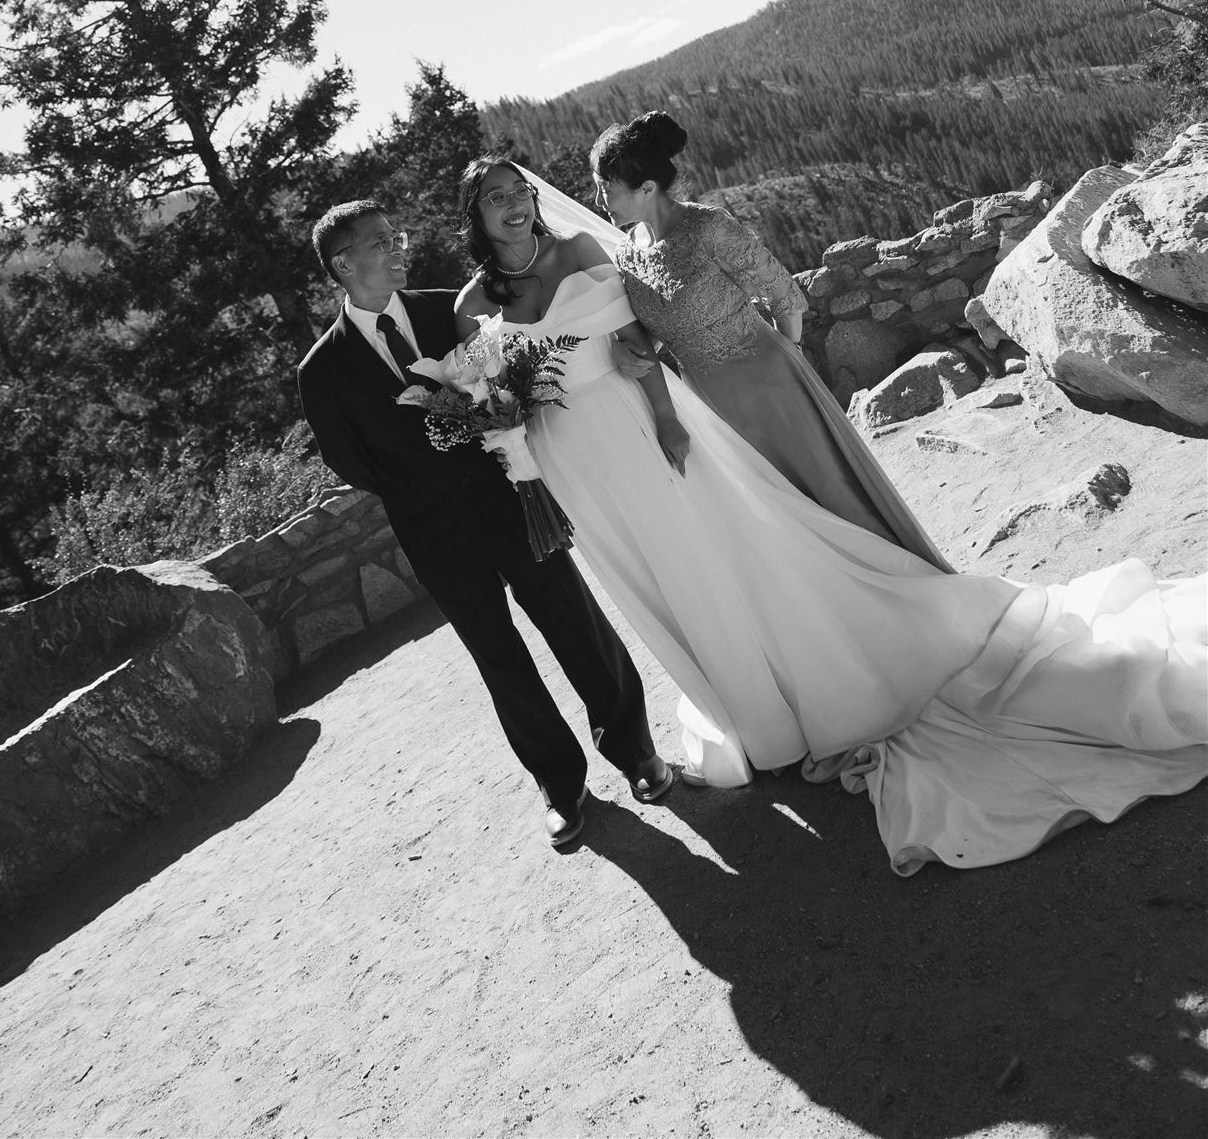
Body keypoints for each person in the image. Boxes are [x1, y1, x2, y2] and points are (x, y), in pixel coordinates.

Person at [452, 159, 1207, 874]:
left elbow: (634, 345)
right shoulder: (470, 308)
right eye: (495, 198)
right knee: (659, 585)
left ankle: (794, 690)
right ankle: (745, 710)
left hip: (643, 427)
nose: (514, 204)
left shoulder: (581, 246)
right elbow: (490, 408)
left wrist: (668, 419)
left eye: (518, 190)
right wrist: (522, 457)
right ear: (475, 217)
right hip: (574, 468)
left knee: (720, 550)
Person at [297, 199, 673, 850]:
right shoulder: (320, 370)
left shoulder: (452, 309)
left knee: (575, 624)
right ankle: (561, 788)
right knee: (499, 660)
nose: (398, 247)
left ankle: (637, 755)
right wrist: (431, 471)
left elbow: (510, 380)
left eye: (396, 235)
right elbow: (351, 461)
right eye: (380, 242)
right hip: (435, 536)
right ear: (342, 263)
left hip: (513, 501)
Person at [593, 112, 950, 569]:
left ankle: (903, 580)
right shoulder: (626, 254)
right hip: (709, 405)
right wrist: (624, 348)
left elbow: (785, 296)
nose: (601, 197)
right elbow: (653, 330)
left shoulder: (707, 227)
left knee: (828, 492)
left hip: (770, 382)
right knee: (777, 518)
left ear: (646, 188)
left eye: (608, 186)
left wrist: (788, 358)